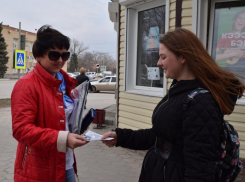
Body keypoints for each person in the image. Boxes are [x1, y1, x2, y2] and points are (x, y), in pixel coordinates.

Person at [102, 28, 245, 182]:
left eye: (163, 57)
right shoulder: (180, 90)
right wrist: (121, 137)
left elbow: (200, 169)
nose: (159, 63)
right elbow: (160, 136)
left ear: (183, 57)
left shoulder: (201, 102)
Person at [11, 25, 88, 182]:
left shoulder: (65, 82)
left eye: (65, 55)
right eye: (54, 55)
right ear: (39, 56)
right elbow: (21, 130)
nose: (60, 60)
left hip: (65, 162)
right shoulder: (27, 85)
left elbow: (63, 121)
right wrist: (63, 139)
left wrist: (78, 126)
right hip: (39, 168)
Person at [215, 9, 245, 78]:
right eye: (240, 18)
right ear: (234, 20)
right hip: (230, 71)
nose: (241, 21)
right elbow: (214, 57)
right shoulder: (225, 36)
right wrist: (234, 54)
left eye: (244, 19)